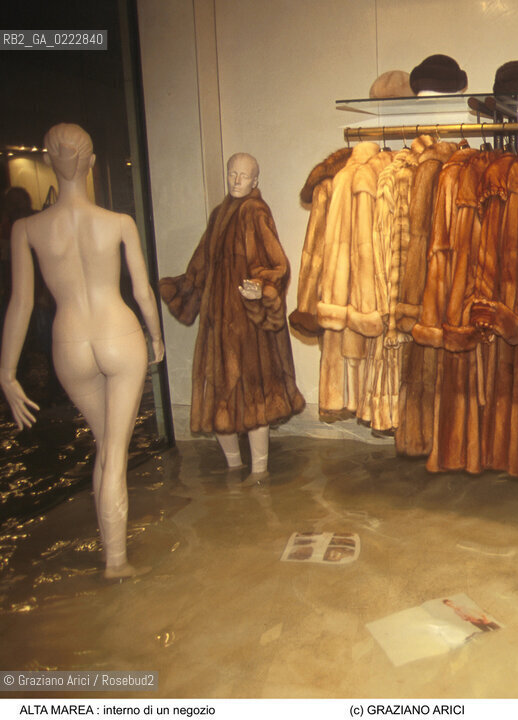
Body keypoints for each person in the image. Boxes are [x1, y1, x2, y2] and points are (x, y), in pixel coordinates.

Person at [0, 123, 165, 579]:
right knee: (114, 452)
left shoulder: (27, 228)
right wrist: (156, 337)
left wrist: (7, 372)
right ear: (91, 164)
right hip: (119, 334)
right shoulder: (117, 224)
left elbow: (21, 302)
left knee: (104, 445)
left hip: (69, 342)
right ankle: (116, 562)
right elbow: (143, 293)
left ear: (51, 163)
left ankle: (110, 552)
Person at [160, 153, 304, 476]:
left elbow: (277, 264)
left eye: (244, 175)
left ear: (256, 181)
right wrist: (183, 290)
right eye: (232, 174)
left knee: (254, 397)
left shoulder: (255, 212)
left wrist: (262, 288)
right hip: (216, 323)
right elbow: (201, 263)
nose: (237, 180)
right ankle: (234, 468)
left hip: (247, 323)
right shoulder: (219, 215)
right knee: (218, 397)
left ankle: (259, 474)